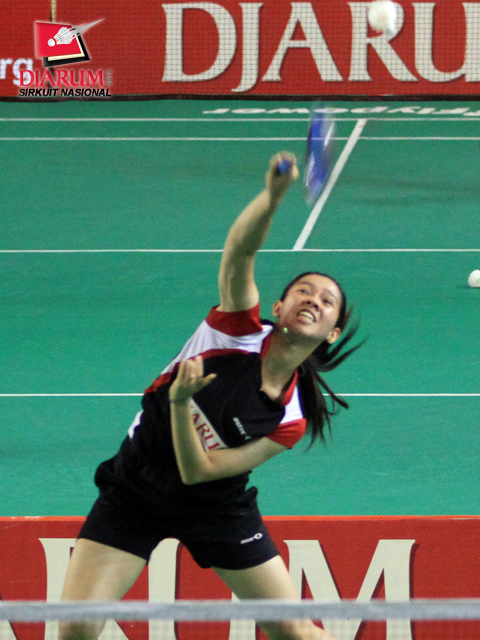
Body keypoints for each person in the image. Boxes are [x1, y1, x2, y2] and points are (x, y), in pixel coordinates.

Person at [60, 152, 360, 640]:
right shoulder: (234, 330)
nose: (313, 300)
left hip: (216, 508)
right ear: (279, 306)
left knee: (295, 632)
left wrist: (181, 404)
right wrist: (272, 197)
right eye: (303, 291)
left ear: (332, 333)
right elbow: (239, 253)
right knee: (75, 628)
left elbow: (199, 472)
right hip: (136, 489)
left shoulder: (291, 417)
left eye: (327, 301)